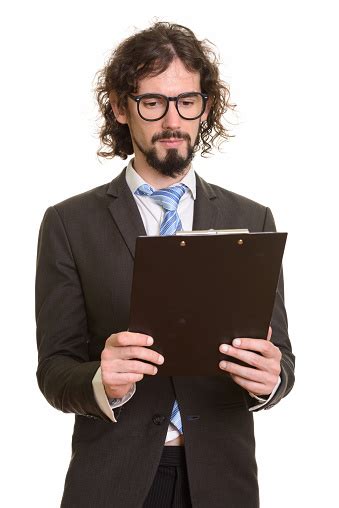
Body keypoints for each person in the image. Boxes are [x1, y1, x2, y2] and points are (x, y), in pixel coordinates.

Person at [35, 22, 295, 508]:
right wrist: (101, 381)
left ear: (205, 107)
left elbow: (281, 357)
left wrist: (271, 380)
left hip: (222, 483)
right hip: (112, 482)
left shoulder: (250, 219)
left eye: (187, 101)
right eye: (152, 102)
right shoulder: (69, 224)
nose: (172, 119)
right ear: (120, 106)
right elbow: (54, 370)